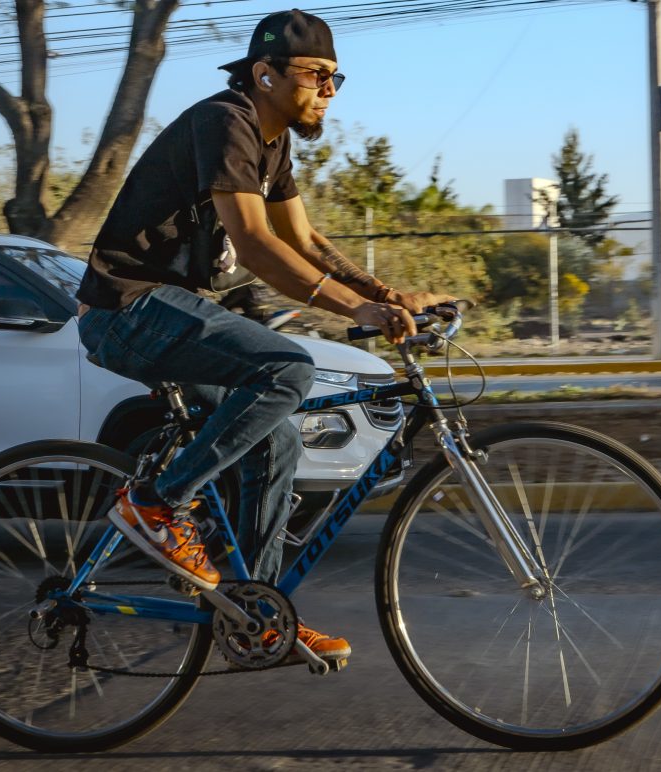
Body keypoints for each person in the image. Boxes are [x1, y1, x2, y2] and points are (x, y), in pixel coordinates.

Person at [75, 8, 453, 664]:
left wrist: (384, 297)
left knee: (277, 435)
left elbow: (303, 239)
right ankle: (157, 503)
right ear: (265, 74)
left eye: (337, 80)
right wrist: (351, 312)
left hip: (171, 309)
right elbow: (254, 244)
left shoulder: (271, 141)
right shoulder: (229, 122)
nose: (328, 92)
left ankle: (257, 612)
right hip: (125, 309)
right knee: (286, 369)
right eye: (316, 76)